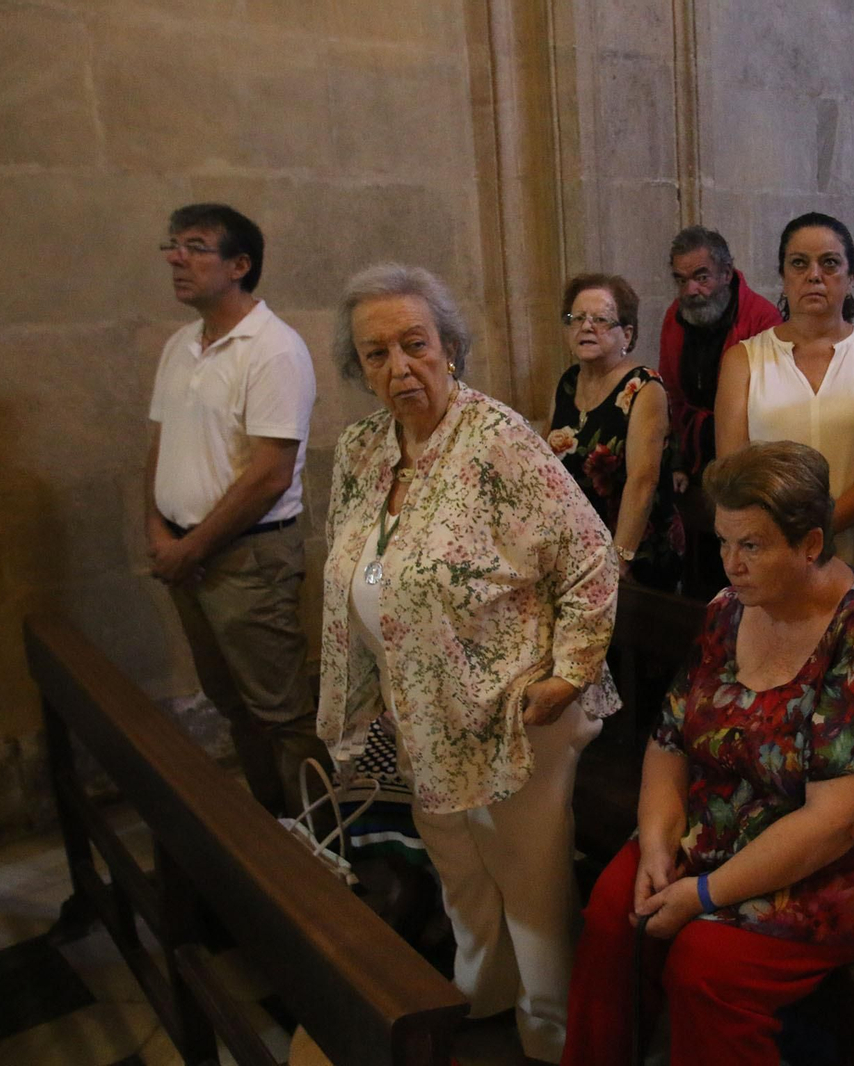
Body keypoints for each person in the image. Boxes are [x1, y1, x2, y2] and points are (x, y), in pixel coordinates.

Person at [562, 441, 854, 1066]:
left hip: (851, 860)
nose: (730, 565)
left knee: (705, 966)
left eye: (752, 546)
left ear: (811, 544)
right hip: (728, 821)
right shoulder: (728, 610)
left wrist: (705, 893)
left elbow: (841, 821)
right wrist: (657, 845)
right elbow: (670, 739)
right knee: (615, 913)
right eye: (722, 542)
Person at [317, 263, 620, 1063]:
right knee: (457, 862)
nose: (399, 367)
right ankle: (480, 998)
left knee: (529, 878)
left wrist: (568, 673)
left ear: (449, 347)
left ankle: (553, 1034)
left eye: (414, 345)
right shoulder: (360, 450)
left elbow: (590, 557)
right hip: (419, 704)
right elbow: (355, 566)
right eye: (376, 354)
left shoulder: (497, 442)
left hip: (518, 705)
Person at [144, 202, 325, 818]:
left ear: (240, 265)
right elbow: (161, 446)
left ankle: (323, 848)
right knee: (233, 704)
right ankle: (271, 829)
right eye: (173, 245)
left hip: (247, 557)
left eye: (195, 246)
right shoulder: (181, 345)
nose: (176, 258)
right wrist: (161, 532)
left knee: (281, 712)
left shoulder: (272, 349)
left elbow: (270, 474)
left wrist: (189, 549)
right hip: (188, 555)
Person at [714, 212, 854, 576]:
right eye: (799, 263)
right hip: (775, 558)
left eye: (830, 263)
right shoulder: (743, 360)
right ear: (784, 277)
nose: (814, 275)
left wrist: (819, 530)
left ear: (851, 277)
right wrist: (785, 538)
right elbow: (734, 468)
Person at [659, 227, 783, 596]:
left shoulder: (762, 318)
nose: (690, 291)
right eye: (681, 280)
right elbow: (674, 394)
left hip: (746, 458)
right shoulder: (675, 316)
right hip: (698, 458)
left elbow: (770, 405)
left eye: (701, 277)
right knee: (701, 568)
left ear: (726, 274)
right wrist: (679, 460)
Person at [547, 272, 683, 590]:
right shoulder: (567, 384)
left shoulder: (644, 387)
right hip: (576, 550)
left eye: (601, 319)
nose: (586, 326)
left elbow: (643, 482)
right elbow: (546, 470)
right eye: (577, 318)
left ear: (628, 333)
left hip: (636, 549)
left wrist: (618, 561)